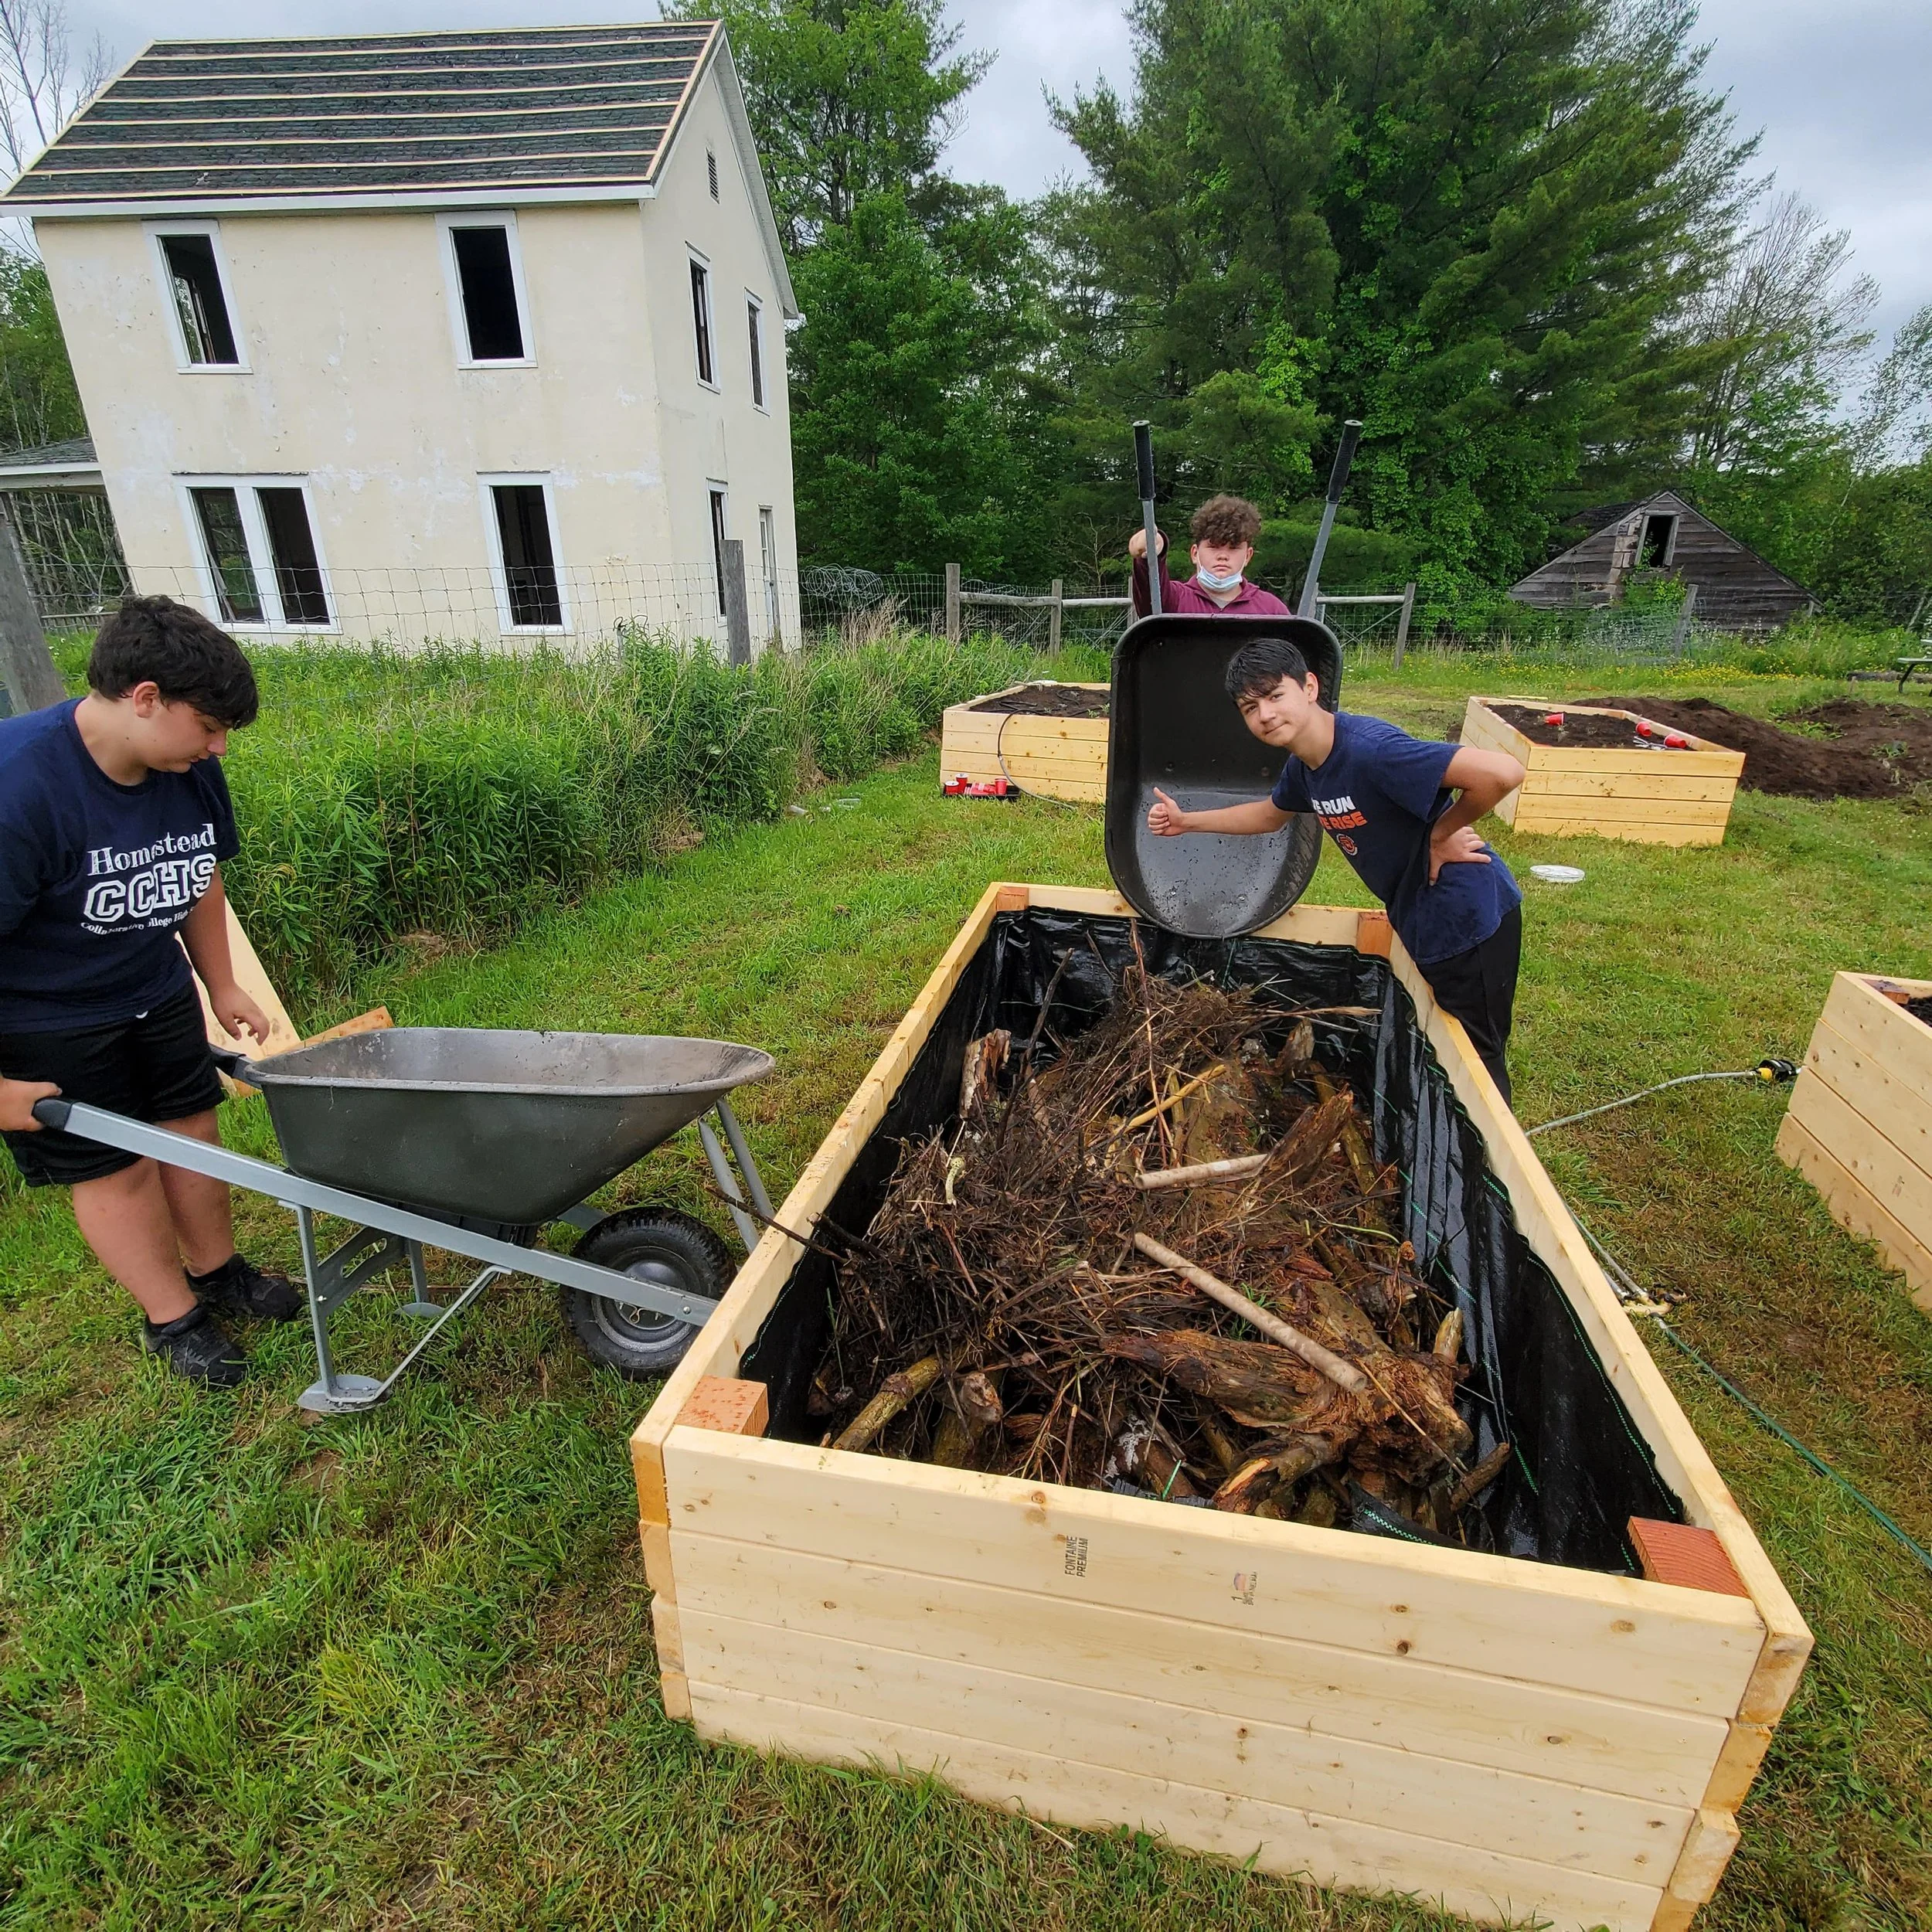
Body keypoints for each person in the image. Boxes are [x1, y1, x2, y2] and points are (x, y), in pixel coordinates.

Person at [0, 595, 301, 1387]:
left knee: (190, 1128)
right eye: (208, 726)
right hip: (50, 1018)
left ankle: (218, 1273)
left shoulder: (186, 770)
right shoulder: (19, 789)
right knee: (116, 1166)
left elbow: (198, 870)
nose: (219, 747)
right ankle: (174, 1319)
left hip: (155, 986)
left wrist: (221, 981)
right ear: (144, 698)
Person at [1147, 636, 1529, 1100]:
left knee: (1478, 1059)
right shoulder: (1306, 767)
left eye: (1275, 696)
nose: (1265, 714)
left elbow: (1502, 773)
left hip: (1467, 917)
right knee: (1449, 1047)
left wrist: (1441, 833)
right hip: (1422, 915)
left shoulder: (1370, 751)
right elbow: (1269, 816)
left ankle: (1491, 1144)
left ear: (1309, 687)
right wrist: (1187, 822)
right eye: (1250, 707)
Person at [1129, 493, 1291, 617]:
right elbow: (1149, 594)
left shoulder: (1272, 610)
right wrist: (1154, 549)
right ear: (1195, 553)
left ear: (1248, 556)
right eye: (1213, 547)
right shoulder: (1174, 600)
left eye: (1234, 548)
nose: (1223, 556)